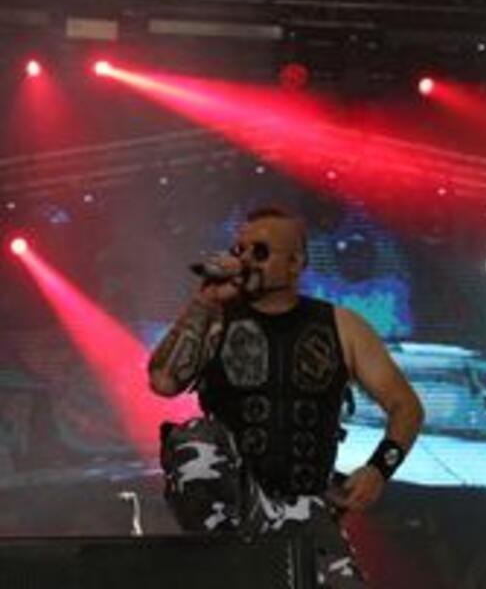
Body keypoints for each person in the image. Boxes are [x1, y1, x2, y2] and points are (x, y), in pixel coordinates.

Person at [148, 206, 424, 587]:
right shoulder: (216, 319)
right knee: (193, 437)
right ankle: (225, 558)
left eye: (260, 252)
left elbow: (406, 407)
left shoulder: (341, 326)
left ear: (295, 263)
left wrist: (379, 469)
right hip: (237, 499)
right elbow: (163, 382)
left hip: (305, 504)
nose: (246, 260)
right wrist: (206, 301)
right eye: (240, 250)